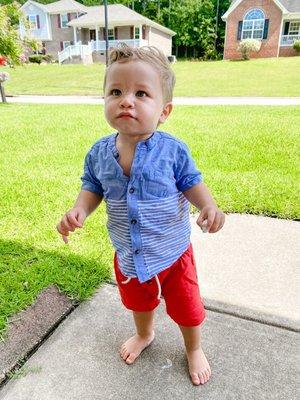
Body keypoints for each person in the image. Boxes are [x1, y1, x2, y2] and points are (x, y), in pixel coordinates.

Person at [57, 44, 225, 386]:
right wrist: (79, 209)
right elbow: (92, 187)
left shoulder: (172, 150)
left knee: (187, 308)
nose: (126, 100)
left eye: (141, 93)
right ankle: (144, 333)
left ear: (164, 111)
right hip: (129, 256)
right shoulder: (99, 153)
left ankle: (193, 348)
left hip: (173, 254)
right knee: (139, 301)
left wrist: (207, 205)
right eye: (116, 91)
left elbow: (191, 181)